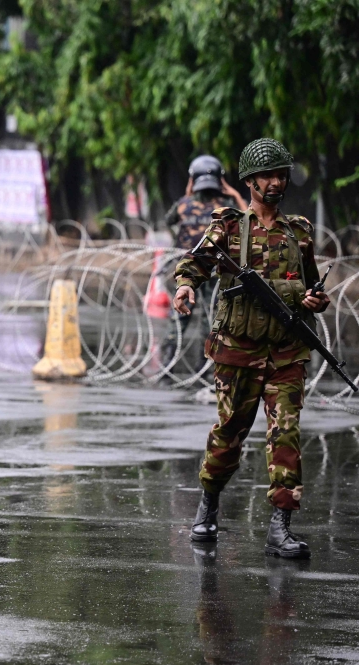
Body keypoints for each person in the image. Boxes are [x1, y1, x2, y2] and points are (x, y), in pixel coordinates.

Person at [173, 138, 330, 558]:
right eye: (267, 176)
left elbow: (312, 285)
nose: (276, 182)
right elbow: (195, 263)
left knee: (286, 436)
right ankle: (207, 507)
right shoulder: (227, 225)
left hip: (285, 353)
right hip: (237, 351)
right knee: (228, 434)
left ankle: (280, 528)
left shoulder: (299, 231)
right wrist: (186, 287)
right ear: (249, 181)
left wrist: (315, 299)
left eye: (281, 174)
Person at [161, 155, 247, 362]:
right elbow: (247, 220)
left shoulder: (183, 204)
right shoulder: (226, 206)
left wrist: (188, 195)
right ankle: (202, 365)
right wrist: (235, 193)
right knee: (209, 317)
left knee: (179, 317)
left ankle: (167, 364)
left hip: (186, 269)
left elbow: (169, 220)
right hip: (214, 269)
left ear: (193, 180)